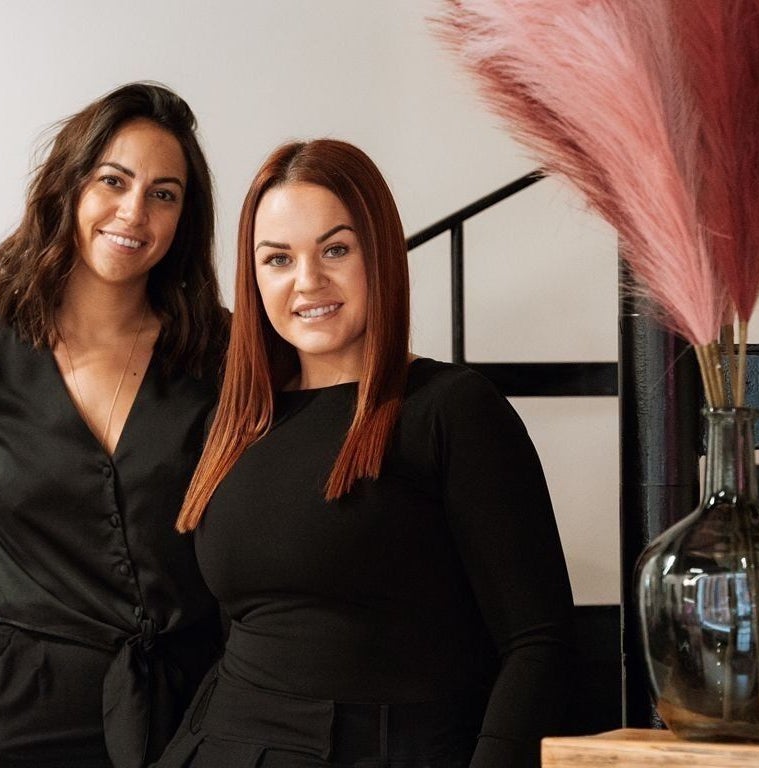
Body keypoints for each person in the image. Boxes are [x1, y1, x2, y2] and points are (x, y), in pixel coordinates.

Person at [156, 140, 574, 768]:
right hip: (220, 744)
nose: (308, 281)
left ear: (378, 253)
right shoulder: (237, 420)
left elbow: (537, 641)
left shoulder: (451, 409)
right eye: (277, 259)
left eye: (335, 249)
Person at [0, 82, 230, 768]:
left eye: (164, 193)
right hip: (26, 715)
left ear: (184, 218)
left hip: (202, 708)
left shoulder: (223, 358)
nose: (135, 210)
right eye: (113, 180)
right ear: (68, 186)